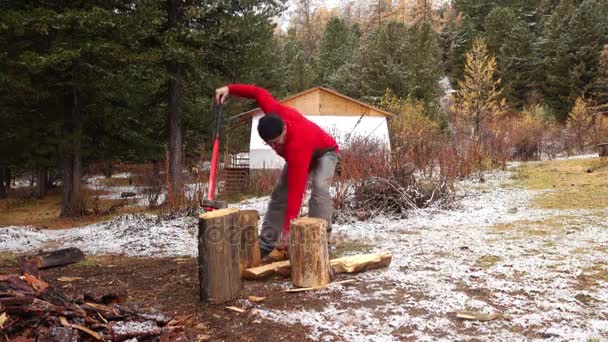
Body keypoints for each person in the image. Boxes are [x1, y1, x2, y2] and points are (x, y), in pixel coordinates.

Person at [215, 84, 339, 257]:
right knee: (279, 194)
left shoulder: (297, 144)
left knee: (319, 188)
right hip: (305, 152)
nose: (275, 146)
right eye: (270, 143)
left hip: (325, 152)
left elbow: (296, 191)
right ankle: (266, 243)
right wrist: (229, 89)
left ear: (285, 129)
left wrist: (288, 229)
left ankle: (321, 242)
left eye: (277, 141)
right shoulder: (272, 112)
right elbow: (257, 92)